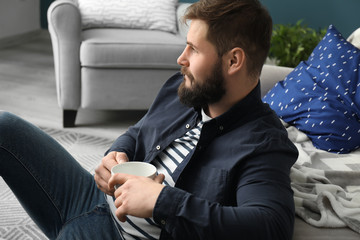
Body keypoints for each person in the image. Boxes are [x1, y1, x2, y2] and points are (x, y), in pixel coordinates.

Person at [0, 0, 298, 239]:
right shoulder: (182, 89)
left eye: (193, 49)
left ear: (233, 60)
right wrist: (117, 153)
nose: (181, 59)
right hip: (91, 200)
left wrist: (161, 201)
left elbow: (271, 225)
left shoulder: (263, 143)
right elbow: (139, 130)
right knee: (4, 126)